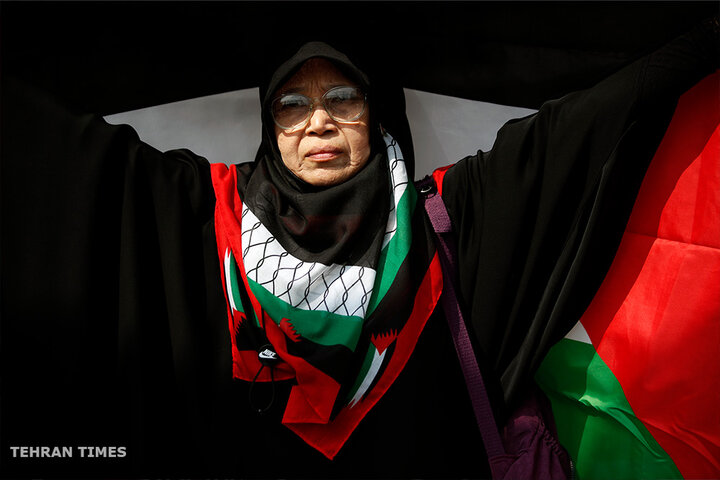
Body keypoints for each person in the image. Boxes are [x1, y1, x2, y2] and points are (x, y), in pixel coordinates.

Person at [1, 15, 717, 480]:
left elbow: (584, 131)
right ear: (268, 122)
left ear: (375, 118)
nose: (317, 120)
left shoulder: (449, 219)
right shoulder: (200, 213)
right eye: (291, 102)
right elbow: (69, 162)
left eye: (343, 97)